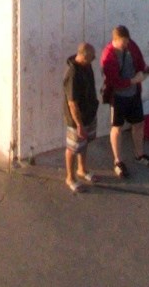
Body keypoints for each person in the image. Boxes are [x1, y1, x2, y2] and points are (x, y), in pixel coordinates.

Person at [100, 23, 149, 181]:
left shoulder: (132, 46)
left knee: (139, 124)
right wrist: (133, 81)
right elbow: (114, 82)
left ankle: (139, 154)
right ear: (115, 40)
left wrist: (143, 71)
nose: (127, 45)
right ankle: (118, 161)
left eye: (128, 42)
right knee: (117, 128)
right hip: (118, 97)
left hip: (134, 94)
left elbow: (139, 61)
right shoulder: (108, 56)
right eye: (124, 43)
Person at [61, 43, 98, 191]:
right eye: (91, 57)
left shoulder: (86, 66)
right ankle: (70, 177)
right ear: (82, 56)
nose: (93, 59)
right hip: (77, 119)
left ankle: (82, 169)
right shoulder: (73, 74)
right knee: (73, 147)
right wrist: (79, 125)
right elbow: (72, 104)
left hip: (88, 114)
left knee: (84, 142)